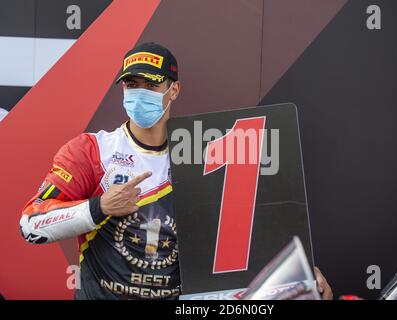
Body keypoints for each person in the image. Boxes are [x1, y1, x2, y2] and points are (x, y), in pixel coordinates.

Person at [19, 41, 333, 300]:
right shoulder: (92, 151)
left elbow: (238, 252)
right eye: (131, 84)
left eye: (151, 85)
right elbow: (30, 225)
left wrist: (297, 280)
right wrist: (99, 206)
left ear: (174, 90)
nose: (139, 94)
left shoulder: (206, 156)